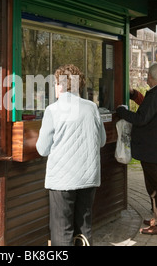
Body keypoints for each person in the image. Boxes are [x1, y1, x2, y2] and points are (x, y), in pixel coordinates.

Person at [36, 64, 106, 245]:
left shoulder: (53, 110)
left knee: (62, 230)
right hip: (89, 177)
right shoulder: (92, 107)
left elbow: (42, 149)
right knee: (84, 228)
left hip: (62, 179)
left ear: (59, 85)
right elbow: (102, 141)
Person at [116, 62, 157, 235]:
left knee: (155, 186)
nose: (146, 78)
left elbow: (141, 119)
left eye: (147, 75)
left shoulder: (155, 95)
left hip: (152, 150)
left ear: (151, 77)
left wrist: (121, 111)